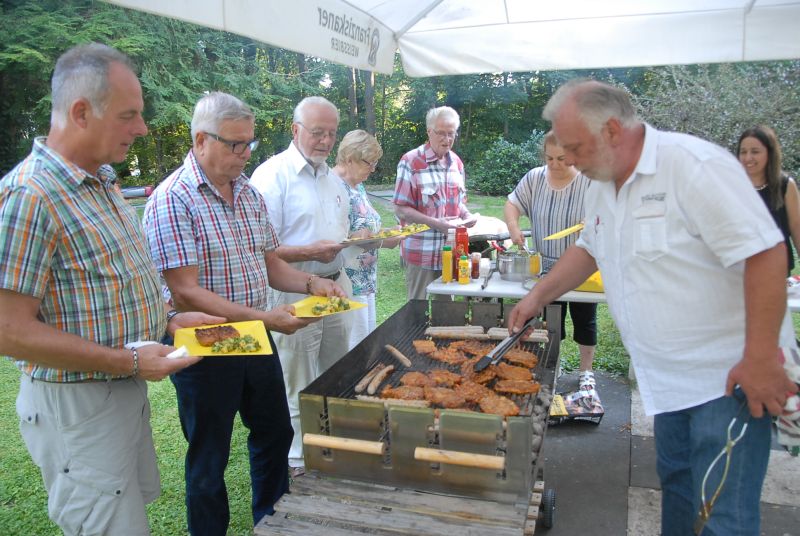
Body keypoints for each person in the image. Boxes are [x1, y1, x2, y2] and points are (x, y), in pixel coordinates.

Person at [509, 79, 798, 535]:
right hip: (665, 385)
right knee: (679, 496)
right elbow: (588, 248)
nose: (570, 162)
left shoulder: (694, 167)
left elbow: (767, 254)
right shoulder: (602, 182)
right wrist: (537, 296)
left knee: (724, 517)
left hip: (725, 381)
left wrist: (761, 357)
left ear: (611, 131)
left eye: (575, 148)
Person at [0, 43, 222, 535]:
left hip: (119, 389)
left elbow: (109, 281)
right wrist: (131, 361)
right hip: (77, 403)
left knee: (127, 515)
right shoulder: (31, 195)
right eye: (129, 115)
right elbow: (7, 331)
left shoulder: (100, 180)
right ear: (81, 112)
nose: (142, 128)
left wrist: (167, 319)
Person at [143, 92, 346, 535]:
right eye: (234, 144)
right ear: (200, 140)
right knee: (209, 454)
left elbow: (270, 262)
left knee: (275, 432)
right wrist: (264, 318)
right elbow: (185, 292)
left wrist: (313, 283)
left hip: (255, 336)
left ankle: (272, 521)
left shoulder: (248, 192)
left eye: (248, 144)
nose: (243, 154)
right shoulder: (172, 199)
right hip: (204, 344)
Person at [250, 96, 352, 475]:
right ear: (295, 130)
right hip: (292, 289)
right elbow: (262, 250)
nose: (325, 141)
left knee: (336, 369)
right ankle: (296, 457)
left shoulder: (331, 177)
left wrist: (357, 241)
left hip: (335, 286)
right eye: (317, 132)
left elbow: (336, 232)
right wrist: (310, 251)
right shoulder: (271, 176)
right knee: (297, 375)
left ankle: (329, 443)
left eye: (331, 133)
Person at [504, 130, 598, 392]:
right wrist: (514, 228)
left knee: (585, 319)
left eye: (562, 158)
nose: (556, 164)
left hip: (581, 269)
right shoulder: (535, 178)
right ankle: (551, 366)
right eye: (550, 158)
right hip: (545, 267)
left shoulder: (589, 181)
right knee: (550, 321)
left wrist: (594, 221)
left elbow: (604, 216)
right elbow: (512, 204)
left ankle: (586, 372)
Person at [393, 105, 476, 300]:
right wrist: (437, 224)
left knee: (448, 314)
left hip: (452, 253)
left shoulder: (456, 163)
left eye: (451, 133)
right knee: (416, 313)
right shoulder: (411, 161)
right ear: (429, 131)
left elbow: (458, 202)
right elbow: (400, 208)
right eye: (441, 133)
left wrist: (467, 215)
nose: (447, 139)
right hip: (422, 252)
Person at [332, 130, 404, 349]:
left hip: (366, 280)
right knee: (354, 348)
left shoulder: (358, 185)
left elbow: (369, 227)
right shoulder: (333, 185)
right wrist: (376, 239)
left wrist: (390, 233)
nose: (373, 170)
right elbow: (332, 236)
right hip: (347, 281)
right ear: (350, 158)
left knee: (367, 342)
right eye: (369, 163)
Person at [737, 126, 800, 276]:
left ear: (770, 153)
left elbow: (797, 227)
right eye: (743, 152)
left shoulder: (785, 185)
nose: (748, 158)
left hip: (777, 272)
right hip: (739, 272)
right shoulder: (731, 186)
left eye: (755, 152)